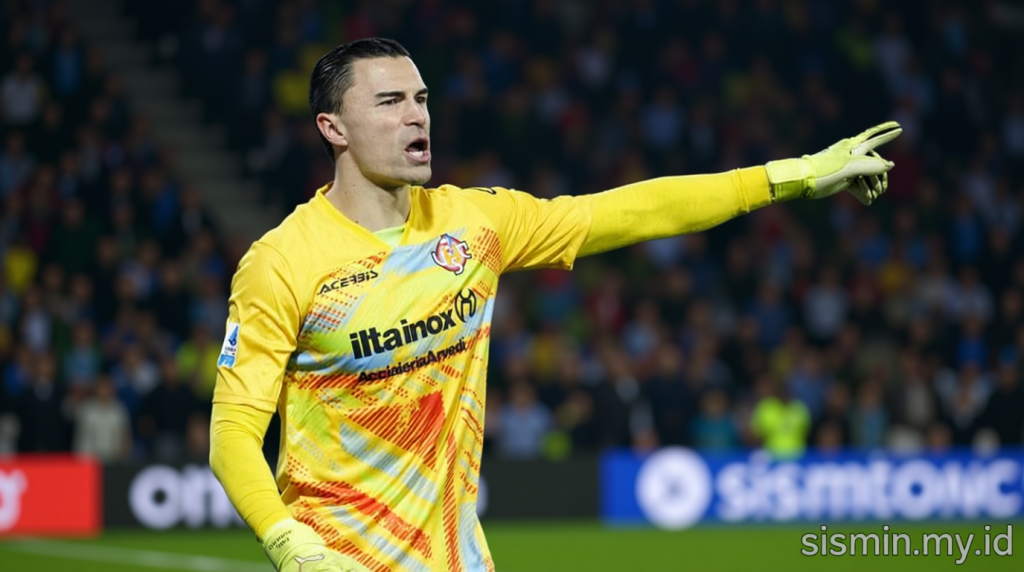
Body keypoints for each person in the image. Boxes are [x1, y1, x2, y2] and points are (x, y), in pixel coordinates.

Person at [209, 37, 900, 572]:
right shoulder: (283, 262)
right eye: (390, 102)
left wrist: (792, 175)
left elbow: (634, 211)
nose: (416, 115)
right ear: (333, 128)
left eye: (421, 98)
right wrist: (286, 540)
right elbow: (234, 433)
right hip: (336, 561)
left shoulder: (474, 224)